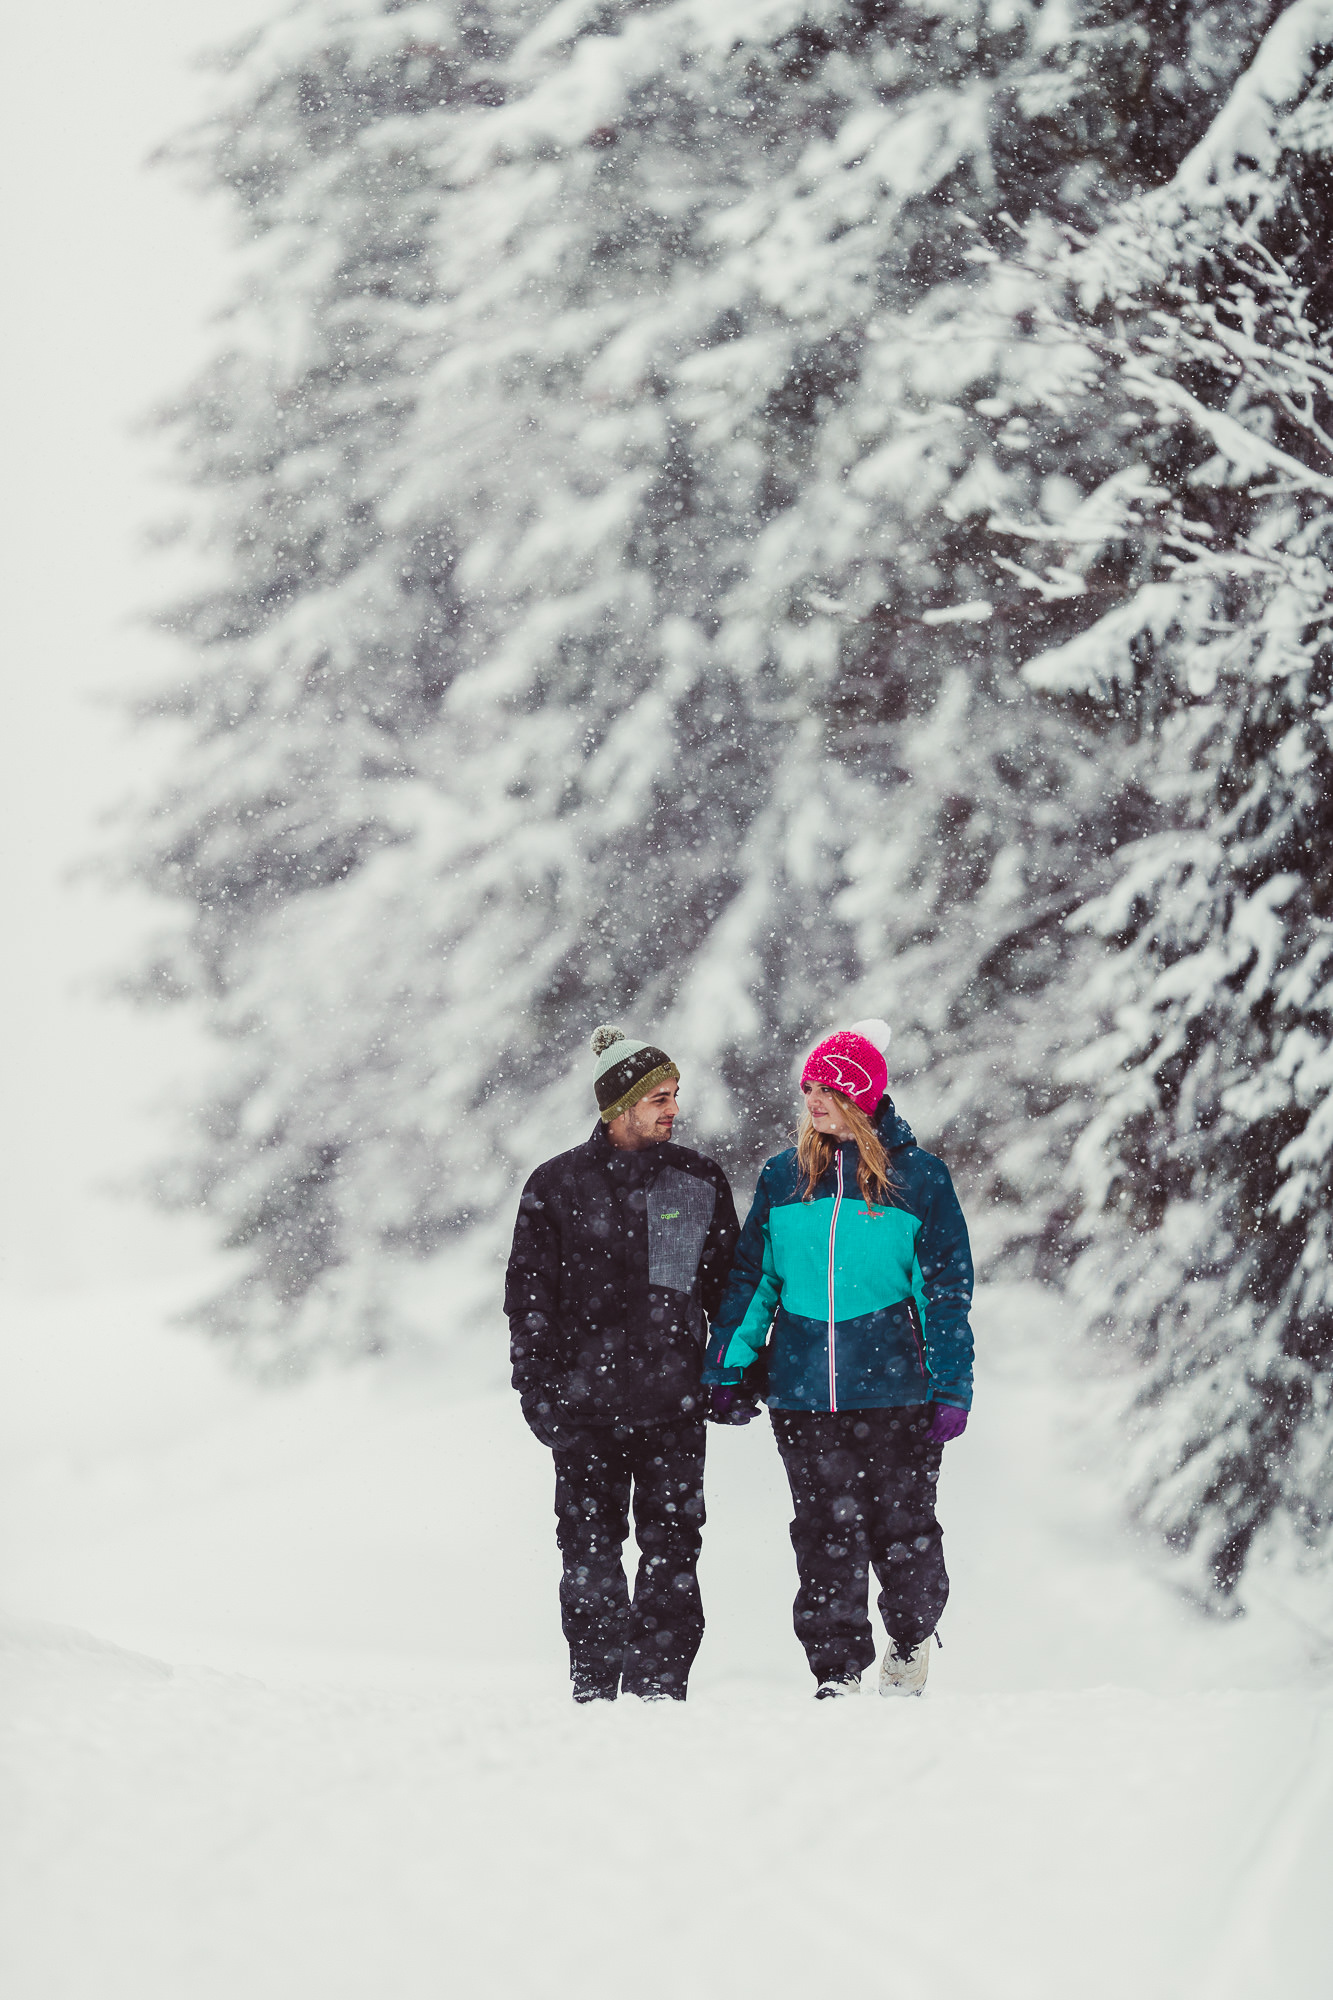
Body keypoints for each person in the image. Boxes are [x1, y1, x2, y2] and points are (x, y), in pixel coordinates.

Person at [701, 1018, 973, 1699]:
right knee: (823, 1536)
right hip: (802, 1395)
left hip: (897, 1393)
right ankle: (837, 1671)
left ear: (862, 1096)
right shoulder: (783, 1178)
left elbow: (944, 1293)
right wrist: (726, 1367)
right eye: (808, 1089)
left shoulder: (918, 1179)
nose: (813, 1101)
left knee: (903, 1532)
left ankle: (908, 1640)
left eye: (827, 1089)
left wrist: (951, 1387)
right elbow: (753, 1281)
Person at [505, 1026, 741, 1703]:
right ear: (619, 1105)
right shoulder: (555, 1186)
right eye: (658, 1098)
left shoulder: (697, 1180)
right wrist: (538, 1390)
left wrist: (732, 1374)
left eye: (674, 1096)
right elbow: (528, 1298)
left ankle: (659, 1688)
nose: (672, 1109)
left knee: (673, 1547)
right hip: (583, 1409)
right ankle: (594, 1684)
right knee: (587, 1548)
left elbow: (729, 1290)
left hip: (674, 1405)